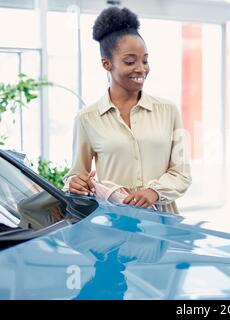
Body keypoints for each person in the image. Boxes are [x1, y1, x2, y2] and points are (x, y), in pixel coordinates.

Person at [64, 7, 191, 214]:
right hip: (114, 223)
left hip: (163, 223)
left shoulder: (168, 111)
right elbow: (78, 174)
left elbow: (182, 173)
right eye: (130, 61)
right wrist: (75, 183)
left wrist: (153, 192)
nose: (141, 68)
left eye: (145, 60)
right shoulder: (87, 119)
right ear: (107, 64)